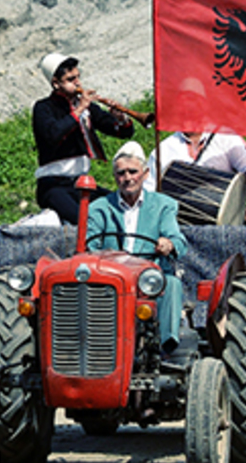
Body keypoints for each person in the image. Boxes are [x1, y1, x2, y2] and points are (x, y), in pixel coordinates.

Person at [86, 142, 188, 352]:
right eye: (121, 173)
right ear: (115, 177)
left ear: (145, 173)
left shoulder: (163, 205)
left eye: (133, 171)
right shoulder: (100, 208)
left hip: (148, 277)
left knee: (171, 283)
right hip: (112, 275)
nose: (128, 178)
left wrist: (168, 244)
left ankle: (166, 346)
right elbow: (89, 245)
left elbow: (178, 241)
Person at [32, 52, 135, 223]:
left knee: (123, 207)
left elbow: (121, 132)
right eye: (70, 79)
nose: (78, 83)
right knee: (85, 222)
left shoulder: (86, 107)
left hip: (82, 184)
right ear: (56, 84)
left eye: (78, 77)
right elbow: (53, 134)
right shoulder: (44, 108)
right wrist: (79, 111)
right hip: (54, 186)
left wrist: (121, 118)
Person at [144, 131, 246, 193]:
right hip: (178, 227)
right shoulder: (163, 149)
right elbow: (148, 192)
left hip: (226, 224)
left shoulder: (227, 137)